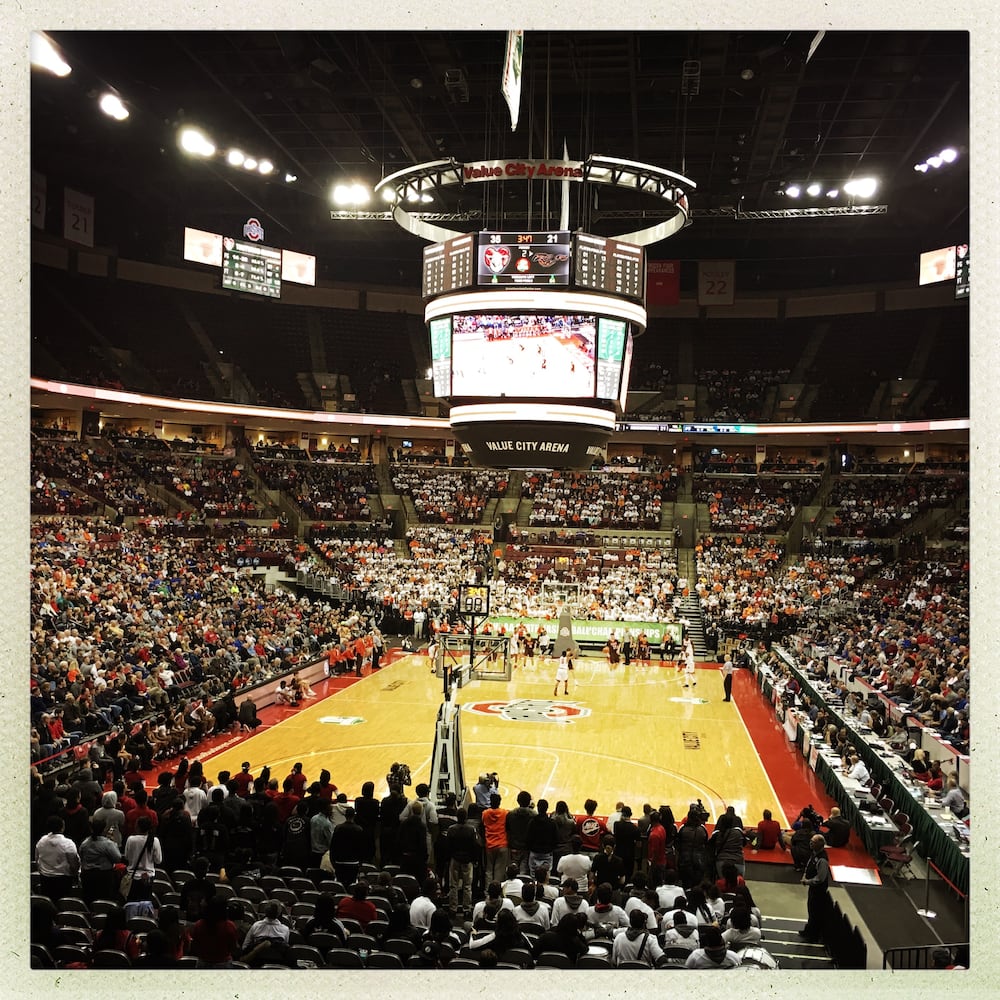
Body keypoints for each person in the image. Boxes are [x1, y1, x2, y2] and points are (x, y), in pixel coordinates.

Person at [799, 834, 831, 942]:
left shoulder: (822, 860)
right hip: (813, 889)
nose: (810, 843)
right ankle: (809, 930)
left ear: (819, 844)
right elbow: (809, 865)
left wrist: (807, 881)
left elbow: (820, 878)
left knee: (815, 912)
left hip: (819, 891)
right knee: (811, 909)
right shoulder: (814, 854)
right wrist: (804, 875)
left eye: (813, 842)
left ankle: (813, 935)